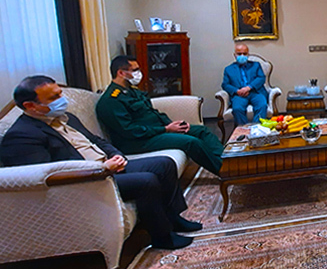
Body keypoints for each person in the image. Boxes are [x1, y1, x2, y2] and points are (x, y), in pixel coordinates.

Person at [1, 76, 200, 250]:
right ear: (30, 106)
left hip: (108, 166)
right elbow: (46, 175)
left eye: (60, 93)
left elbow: (97, 140)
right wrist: (101, 169)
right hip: (88, 180)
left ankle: (174, 218)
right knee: (146, 181)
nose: (62, 100)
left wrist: (117, 156)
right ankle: (162, 237)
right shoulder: (21, 136)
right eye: (54, 97)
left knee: (164, 164)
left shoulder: (66, 118)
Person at [96, 55, 224, 175]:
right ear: (121, 73)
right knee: (191, 142)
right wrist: (165, 129)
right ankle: (223, 171)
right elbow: (130, 131)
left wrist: (171, 125)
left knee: (202, 131)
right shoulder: (111, 100)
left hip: (156, 131)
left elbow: (152, 112)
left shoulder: (132, 91)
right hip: (138, 141)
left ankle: (228, 162)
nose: (139, 73)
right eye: (134, 70)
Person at [221, 43, 269, 126]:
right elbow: (225, 84)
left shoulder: (256, 65)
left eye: (245, 53)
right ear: (235, 55)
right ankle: (244, 129)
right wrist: (237, 91)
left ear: (248, 54)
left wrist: (248, 87)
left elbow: (261, 78)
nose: (242, 56)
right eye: (239, 54)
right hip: (239, 94)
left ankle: (257, 128)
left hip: (255, 92)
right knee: (237, 109)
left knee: (262, 105)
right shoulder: (229, 69)